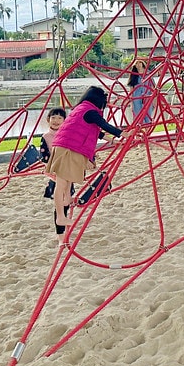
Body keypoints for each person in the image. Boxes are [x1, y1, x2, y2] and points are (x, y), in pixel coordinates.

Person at [44, 87, 127, 236]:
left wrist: (113, 140)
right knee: (61, 183)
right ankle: (60, 217)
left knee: (67, 179)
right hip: (67, 148)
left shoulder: (81, 110)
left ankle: (67, 200)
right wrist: (122, 133)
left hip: (65, 146)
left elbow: (97, 132)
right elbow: (103, 124)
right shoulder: (90, 111)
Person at [128, 59, 156, 126]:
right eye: (136, 63)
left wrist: (154, 100)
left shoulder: (148, 74)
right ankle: (138, 135)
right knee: (138, 118)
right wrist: (131, 103)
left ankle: (146, 134)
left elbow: (153, 88)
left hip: (147, 97)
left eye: (139, 62)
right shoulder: (134, 75)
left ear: (143, 63)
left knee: (148, 117)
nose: (138, 64)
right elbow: (131, 89)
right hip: (136, 98)